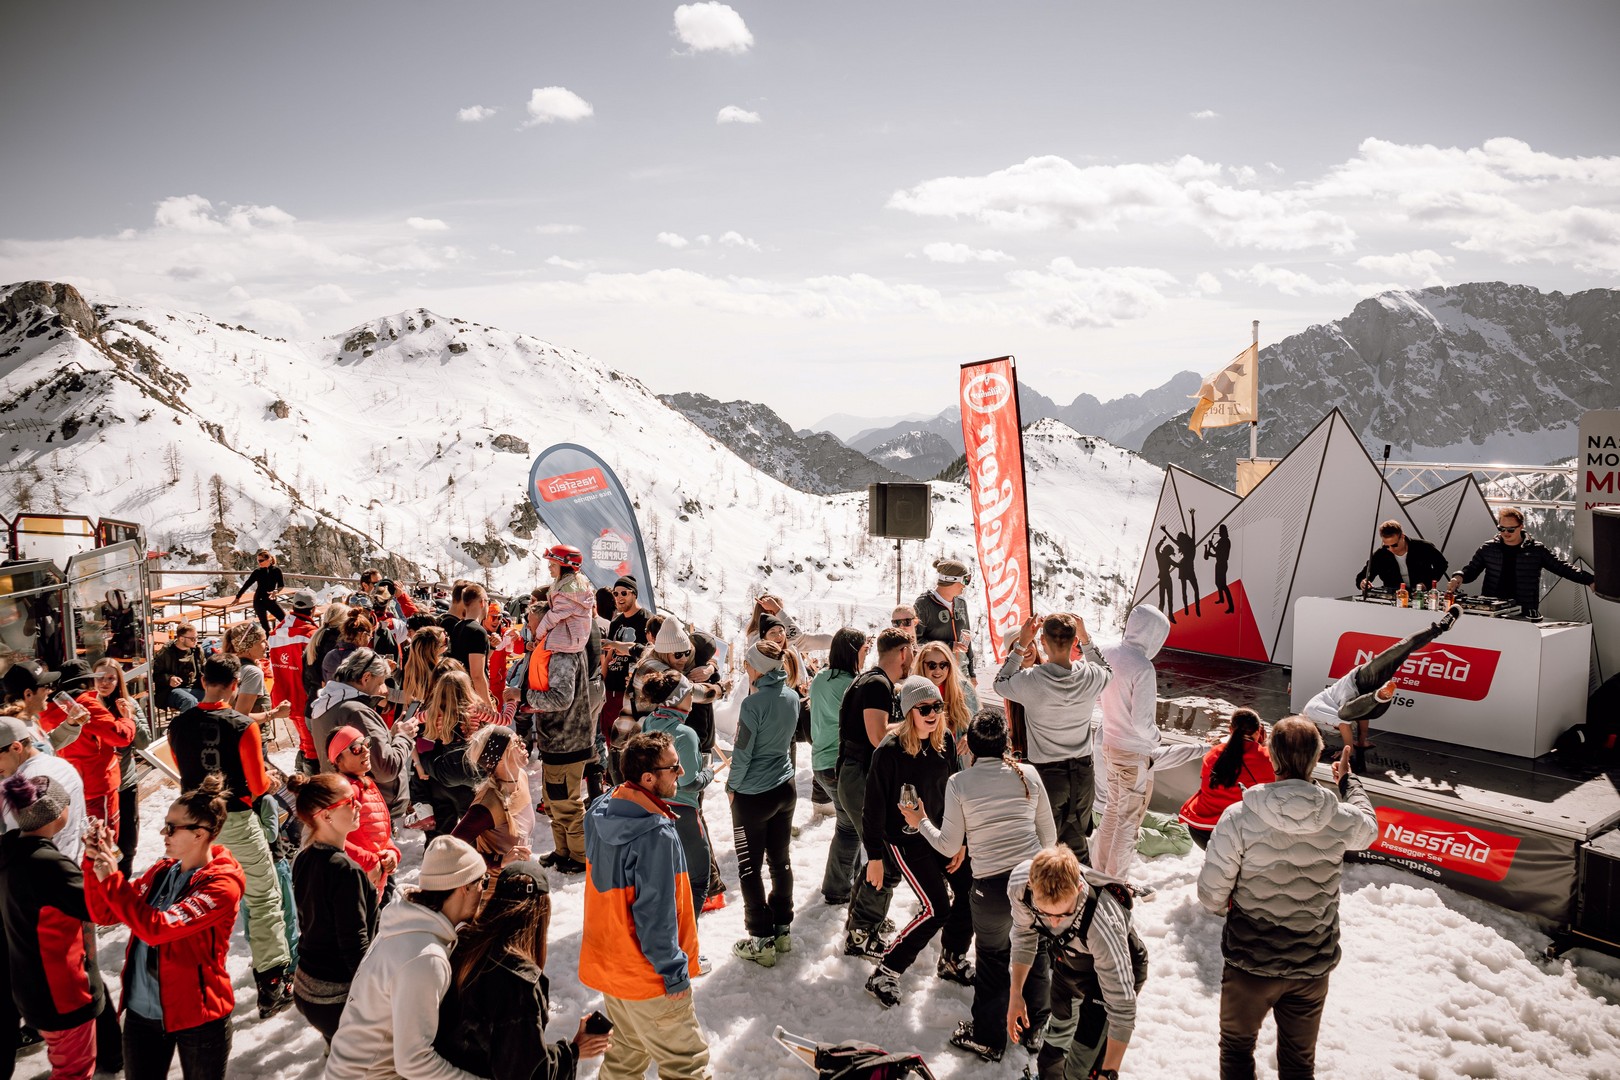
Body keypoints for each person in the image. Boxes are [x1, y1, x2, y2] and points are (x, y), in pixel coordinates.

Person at [1198, 717, 1378, 1080]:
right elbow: (1369, 829)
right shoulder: (1339, 817)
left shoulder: (1239, 815)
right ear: (1316, 759)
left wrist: (1226, 907)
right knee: (1298, 1065)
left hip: (1250, 962)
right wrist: (1348, 782)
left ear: (1273, 757)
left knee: (1236, 1051)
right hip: (1311, 963)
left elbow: (1211, 894)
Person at [908, 708, 1056, 1064]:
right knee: (1036, 951)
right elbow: (1049, 838)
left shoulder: (959, 782)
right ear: (1006, 742)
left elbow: (948, 845)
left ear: (969, 747)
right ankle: (1035, 1029)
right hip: (1032, 883)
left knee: (992, 960)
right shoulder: (1029, 775)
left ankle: (989, 1038)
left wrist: (921, 820)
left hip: (990, 889)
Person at [83, 777, 244, 1080]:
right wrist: (94, 865)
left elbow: (156, 929)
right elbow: (104, 913)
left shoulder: (222, 886)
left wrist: (113, 880)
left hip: (199, 1018)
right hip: (142, 1014)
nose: (163, 833)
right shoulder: (163, 870)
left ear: (199, 834)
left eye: (171, 828)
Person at [164, 653, 295, 1017]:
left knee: (197, 901)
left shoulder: (178, 725)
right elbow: (258, 784)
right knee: (262, 898)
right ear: (236, 685)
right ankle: (272, 983)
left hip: (193, 823)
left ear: (202, 680)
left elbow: (183, 771)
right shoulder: (242, 724)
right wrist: (269, 782)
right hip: (235, 819)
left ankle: (195, 980)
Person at [580, 731, 711, 1080]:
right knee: (687, 1065)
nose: (682, 772)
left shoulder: (600, 810)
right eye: (674, 767)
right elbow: (655, 914)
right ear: (649, 778)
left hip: (612, 966)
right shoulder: (655, 835)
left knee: (625, 1057)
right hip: (647, 975)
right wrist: (673, 973)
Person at [323, 835, 488, 1080]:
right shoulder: (425, 957)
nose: (484, 891)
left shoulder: (406, 923)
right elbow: (413, 1061)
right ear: (464, 887)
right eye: (482, 881)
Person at [437, 861, 612, 1080]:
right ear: (541, 913)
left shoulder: (464, 946)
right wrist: (575, 1051)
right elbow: (526, 1073)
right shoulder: (517, 982)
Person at [861, 676, 973, 1010]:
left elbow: (955, 793)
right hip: (906, 840)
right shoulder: (889, 752)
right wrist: (875, 857)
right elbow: (873, 809)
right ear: (910, 711)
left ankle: (952, 957)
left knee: (969, 888)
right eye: (924, 708)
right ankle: (886, 971)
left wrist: (961, 840)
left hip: (941, 832)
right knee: (937, 908)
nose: (933, 713)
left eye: (937, 706)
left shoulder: (944, 741)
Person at [1008, 844, 1146, 1080]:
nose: (1053, 923)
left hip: (1114, 973)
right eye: (1044, 913)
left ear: (1079, 888)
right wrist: (1016, 993)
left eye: (1063, 914)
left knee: (1080, 1067)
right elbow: (1024, 934)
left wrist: (1108, 1073)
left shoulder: (1102, 924)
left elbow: (1122, 1008)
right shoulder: (1021, 886)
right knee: (1054, 1045)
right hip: (1070, 961)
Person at [0, 774, 105, 1080]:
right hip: (65, 995)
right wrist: (100, 859)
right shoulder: (48, 865)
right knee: (74, 1072)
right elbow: (100, 908)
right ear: (57, 813)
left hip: (30, 988)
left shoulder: (9, 850)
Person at [995, 613, 1112, 862]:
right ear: (1074, 642)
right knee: (1078, 845)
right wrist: (1086, 638)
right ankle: (1082, 883)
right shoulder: (1090, 676)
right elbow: (1107, 669)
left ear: (1043, 642)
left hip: (1048, 777)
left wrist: (1021, 644)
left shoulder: (1031, 680)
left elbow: (1000, 682)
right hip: (1083, 775)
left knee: (1045, 849)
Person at [836, 627, 914, 959]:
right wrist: (914, 723)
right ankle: (861, 934)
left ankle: (862, 922)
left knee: (879, 857)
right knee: (886, 860)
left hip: (856, 775)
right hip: (860, 777)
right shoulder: (878, 685)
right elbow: (877, 735)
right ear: (903, 653)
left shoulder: (870, 680)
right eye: (912, 653)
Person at [287, 772, 378, 1047]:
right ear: (326, 815)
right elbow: (354, 944)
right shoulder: (344, 870)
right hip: (336, 997)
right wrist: (376, 996)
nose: (358, 804)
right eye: (350, 801)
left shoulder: (305, 857)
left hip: (307, 986)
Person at [1301, 603, 1460, 754]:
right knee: (1354, 712)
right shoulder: (1322, 727)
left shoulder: (1311, 711)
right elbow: (1361, 715)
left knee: (1401, 649)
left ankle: (1441, 626)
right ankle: (1379, 695)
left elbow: (1343, 722)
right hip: (1368, 700)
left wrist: (1347, 752)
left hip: (1361, 679)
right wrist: (1361, 741)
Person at [728, 640, 800, 967]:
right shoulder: (792, 697)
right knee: (780, 861)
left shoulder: (752, 704)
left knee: (749, 867)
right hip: (785, 787)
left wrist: (731, 786)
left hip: (753, 795)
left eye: (747, 663)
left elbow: (743, 752)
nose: (745, 668)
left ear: (757, 667)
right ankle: (782, 930)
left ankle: (760, 939)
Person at [1093, 605, 1171, 881]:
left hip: (1109, 745)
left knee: (1111, 813)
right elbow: (1142, 723)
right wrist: (1156, 738)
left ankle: (1099, 874)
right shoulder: (1143, 667)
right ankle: (1115, 883)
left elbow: (1098, 697)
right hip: (1133, 754)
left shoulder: (1106, 651)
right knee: (1127, 823)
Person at [310, 648, 417, 822]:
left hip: (349, 801)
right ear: (366, 677)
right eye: (381, 683)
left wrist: (391, 735)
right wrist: (404, 736)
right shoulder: (356, 711)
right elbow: (386, 768)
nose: (384, 691)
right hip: (372, 807)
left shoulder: (327, 702)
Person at [638, 670, 714, 914]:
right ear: (678, 698)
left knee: (666, 881)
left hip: (653, 809)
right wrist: (709, 772)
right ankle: (687, 935)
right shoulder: (685, 734)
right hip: (683, 815)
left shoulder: (650, 721)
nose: (693, 698)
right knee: (698, 881)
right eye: (689, 693)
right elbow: (690, 782)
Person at [1448, 505, 1595, 616]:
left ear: (1521, 527)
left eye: (1510, 529)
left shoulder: (1536, 550)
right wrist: (1459, 576)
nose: (1505, 533)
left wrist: (1590, 580)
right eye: (1501, 529)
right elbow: (1471, 570)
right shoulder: (1488, 548)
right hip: (1492, 610)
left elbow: (1562, 568)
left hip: (1524, 611)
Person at [44, 659, 134, 835]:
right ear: (87, 680)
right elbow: (121, 736)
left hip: (66, 786)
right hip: (97, 785)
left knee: (78, 840)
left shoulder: (47, 708)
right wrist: (127, 718)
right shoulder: (85, 703)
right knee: (103, 839)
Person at [811, 628, 866, 896]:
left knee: (849, 822)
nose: (866, 655)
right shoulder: (854, 685)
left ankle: (849, 878)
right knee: (850, 828)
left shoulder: (820, 678)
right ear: (853, 652)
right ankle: (837, 888)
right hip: (840, 764)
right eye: (864, 650)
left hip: (820, 762)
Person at [1178, 710, 1275, 849]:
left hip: (1201, 830)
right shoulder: (1267, 758)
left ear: (1230, 729)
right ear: (1258, 731)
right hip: (1238, 833)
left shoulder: (1213, 753)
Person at [325, 725, 402, 901]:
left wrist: (391, 852)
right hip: (356, 880)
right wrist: (369, 861)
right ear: (338, 760)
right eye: (356, 748)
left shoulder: (365, 782)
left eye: (366, 743)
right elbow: (330, 839)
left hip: (376, 876)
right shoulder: (344, 791)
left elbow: (378, 829)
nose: (366, 751)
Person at [451, 724, 535, 873]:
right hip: (496, 885)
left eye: (520, 739)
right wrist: (498, 861)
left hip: (519, 877)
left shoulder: (521, 777)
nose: (523, 744)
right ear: (499, 758)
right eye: (516, 743)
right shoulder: (488, 805)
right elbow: (450, 850)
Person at [269, 588, 323, 773]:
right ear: (313, 609)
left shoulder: (277, 631)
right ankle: (311, 779)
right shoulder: (311, 635)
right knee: (311, 744)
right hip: (304, 697)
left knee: (303, 738)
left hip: (284, 695)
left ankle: (300, 772)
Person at [914, 557, 977, 679]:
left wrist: (971, 673)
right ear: (950, 580)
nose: (965, 585)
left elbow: (967, 639)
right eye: (965, 580)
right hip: (936, 673)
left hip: (961, 673)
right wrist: (948, 646)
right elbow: (916, 642)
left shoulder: (961, 603)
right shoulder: (924, 604)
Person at [912, 640, 977, 754]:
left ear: (949, 665)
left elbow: (979, 722)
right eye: (932, 665)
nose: (938, 670)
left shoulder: (964, 688)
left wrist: (970, 736)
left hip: (957, 757)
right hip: (923, 756)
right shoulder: (912, 692)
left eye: (943, 665)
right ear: (922, 665)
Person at [1356, 520, 1447, 595]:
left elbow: (1442, 564)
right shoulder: (1380, 554)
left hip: (1421, 596)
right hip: (1394, 598)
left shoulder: (1423, 547)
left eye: (1394, 545)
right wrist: (1363, 583)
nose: (1391, 549)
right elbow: (1364, 575)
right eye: (1387, 546)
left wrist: (1427, 583)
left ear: (1402, 536)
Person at [153, 624, 206, 712]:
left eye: (197, 637)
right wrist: (169, 679)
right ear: (181, 639)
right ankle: (187, 721)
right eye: (193, 638)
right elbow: (155, 675)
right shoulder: (166, 652)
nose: (196, 641)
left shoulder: (197, 650)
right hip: (172, 691)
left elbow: (205, 669)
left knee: (215, 697)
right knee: (189, 701)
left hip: (194, 688)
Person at [235, 549, 286, 636]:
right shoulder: (257, 572)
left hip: (270, 600)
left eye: (261, 560)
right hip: (258, 601)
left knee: (285, 620)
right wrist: (238, 597)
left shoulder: (277, 571)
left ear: (268, 560)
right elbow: (246, 585)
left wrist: (276, 591)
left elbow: (281, 585)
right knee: (266, 628)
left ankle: (283, 639)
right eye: (258, 560)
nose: (259, 563)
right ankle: (268, 643)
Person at [1161, 512, 1201, 617]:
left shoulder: (1182, 544)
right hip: (1190, 568)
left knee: (1184, 590)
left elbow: (1172, 539)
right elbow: (1193, 529)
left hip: (1183, 568)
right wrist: (1192, 516)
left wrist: (1165, 530)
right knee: (1195, 589)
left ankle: (1186, 608)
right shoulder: (1191, 543)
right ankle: (1197, 608)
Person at [1205, 523, 1235, 614]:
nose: (1219, 532)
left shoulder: (1225, 541)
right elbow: (1218, 553)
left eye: (1220, 531)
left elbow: (1219, 553)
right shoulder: (1222, 540)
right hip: (1219, 563)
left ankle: (1231, 607)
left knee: (1223, 585)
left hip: (1222, 564)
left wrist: (1211, 547)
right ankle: (1221, 599)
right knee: (1218, 583)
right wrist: (1211, 551)